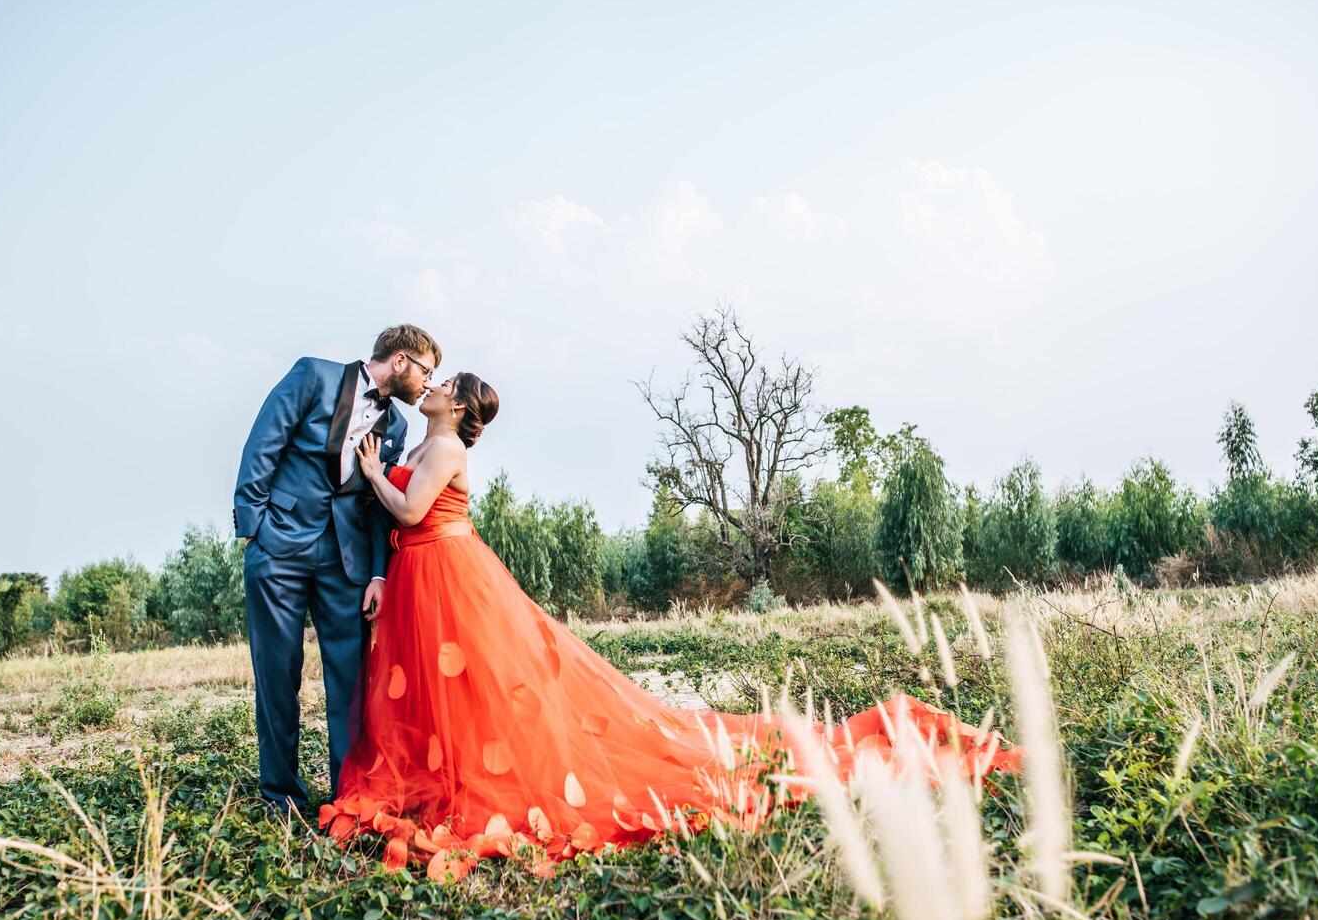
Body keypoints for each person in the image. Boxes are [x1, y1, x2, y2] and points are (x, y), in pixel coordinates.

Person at [320, 373, 1018, 878]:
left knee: (477, 678)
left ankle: (471, 778)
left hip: (445, 570)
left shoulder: (444, 449)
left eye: (443, 385)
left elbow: (408, 512)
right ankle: (444, 771)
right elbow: (401, 520)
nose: (432, 387)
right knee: (449, 686)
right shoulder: (427, 443)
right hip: (418, 572)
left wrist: (375, 474)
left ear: (460, 407)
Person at [233, 324, 440, 811]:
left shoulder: (399, 428)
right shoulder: (313, 377)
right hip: (278, 546)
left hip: (344, 563)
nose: (429, 383)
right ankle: (280, 795)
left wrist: (377, 573)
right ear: (402, 361)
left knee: (350, 682)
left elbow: (375, 506)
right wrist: (254, 528)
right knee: (277, 673)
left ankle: (349, 795)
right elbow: (263, 445)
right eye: (427, 371)